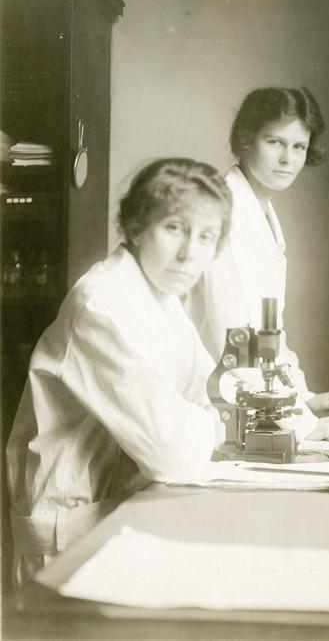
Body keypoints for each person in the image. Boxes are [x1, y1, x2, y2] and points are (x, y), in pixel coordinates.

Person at [6, 158, 232, 586]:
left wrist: (204, 418)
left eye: (206, 237)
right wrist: (211, 424)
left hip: (116, 515)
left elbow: (214, 389)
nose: (189, 253)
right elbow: (175, 454)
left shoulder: (162, 298)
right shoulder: (103, 304)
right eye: (174, 228)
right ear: (135, 226)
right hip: (68, 536)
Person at [185, 86, 329, 436]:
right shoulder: (226, 211)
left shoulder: (261, 213)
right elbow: (239, 339)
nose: (287, 159)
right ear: (247, 140)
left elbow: (270, 334)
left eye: (299, 147)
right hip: (193, 400)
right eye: (274, 142)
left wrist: (304, 397)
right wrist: (303, 425)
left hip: (226, 396)